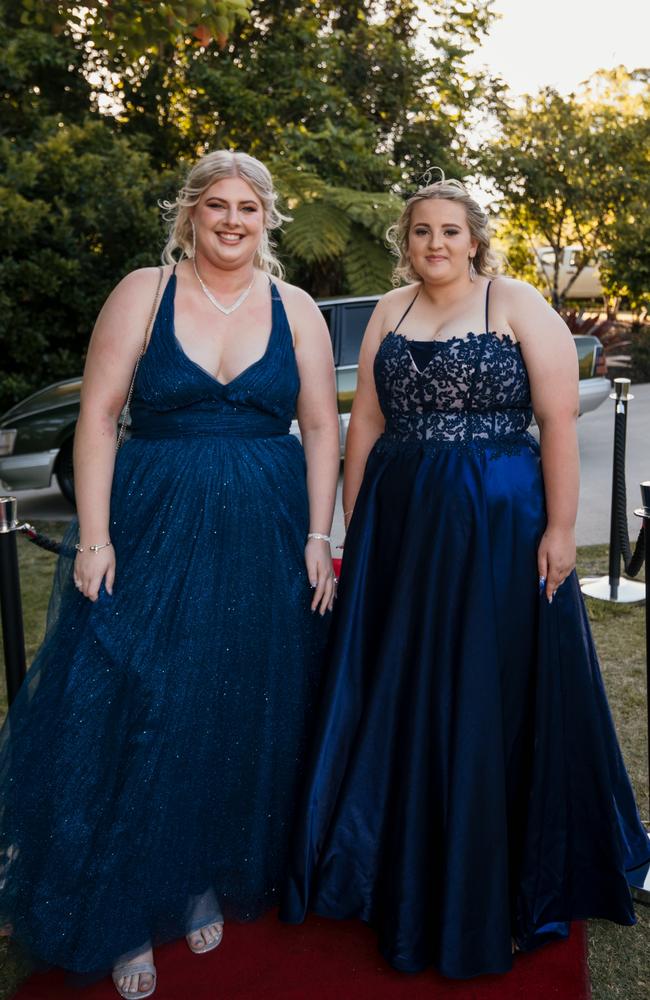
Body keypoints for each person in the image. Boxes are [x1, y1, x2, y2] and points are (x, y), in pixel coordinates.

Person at [281, 176, 650, 979]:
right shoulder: (389, 310)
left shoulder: (515, 303)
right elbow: (367, 425)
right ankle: (396, 858)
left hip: (498, 522)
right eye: (421, 232)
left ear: (475, 239)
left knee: (497, 681)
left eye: (450, 231)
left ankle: (512, 868)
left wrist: (558, 529)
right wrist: (357, 527)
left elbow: (555, 420)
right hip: (402, 525)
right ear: (405, 242)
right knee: (407, 683)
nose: (435, 244)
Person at [0, 150, 339, 998]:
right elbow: (101, 417)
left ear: (267, 220)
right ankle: (121, 909)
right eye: (216, 205)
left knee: (234, 700)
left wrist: (318, 533)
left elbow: (323, 429)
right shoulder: (141, 292)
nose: (232, 220)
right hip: (150, 525)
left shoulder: (294, 307)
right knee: (139, 699)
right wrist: (97, 538)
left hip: (265, 526)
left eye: (248, 208)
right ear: (189, 212)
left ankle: (194, 882)